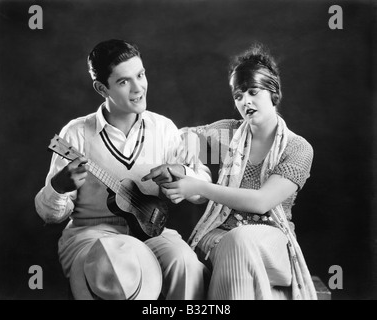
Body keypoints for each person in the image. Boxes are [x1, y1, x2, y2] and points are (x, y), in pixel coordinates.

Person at [34, 39, 211, 300]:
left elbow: (202, 190)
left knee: (185, 262)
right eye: (123, 81)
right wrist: (59, 188)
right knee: (117, 267)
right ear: (101, 87)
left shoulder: (163, 128)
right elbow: (51, 216)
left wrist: (182, 176)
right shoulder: (76, 133)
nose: (138, 88)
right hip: (91, 235)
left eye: (140, 75)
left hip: (151, 229)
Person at [161, 43, 318, 300]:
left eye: (253, 92)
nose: (246, 102)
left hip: (273, 242)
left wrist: (198, 187)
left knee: (241, 240)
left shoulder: (298, 148)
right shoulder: (229, 133)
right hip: (222, 236)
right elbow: (184, 135)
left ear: (273, 92)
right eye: (239, 95)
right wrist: (189, 139)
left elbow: (262, 202)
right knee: (235, 243)